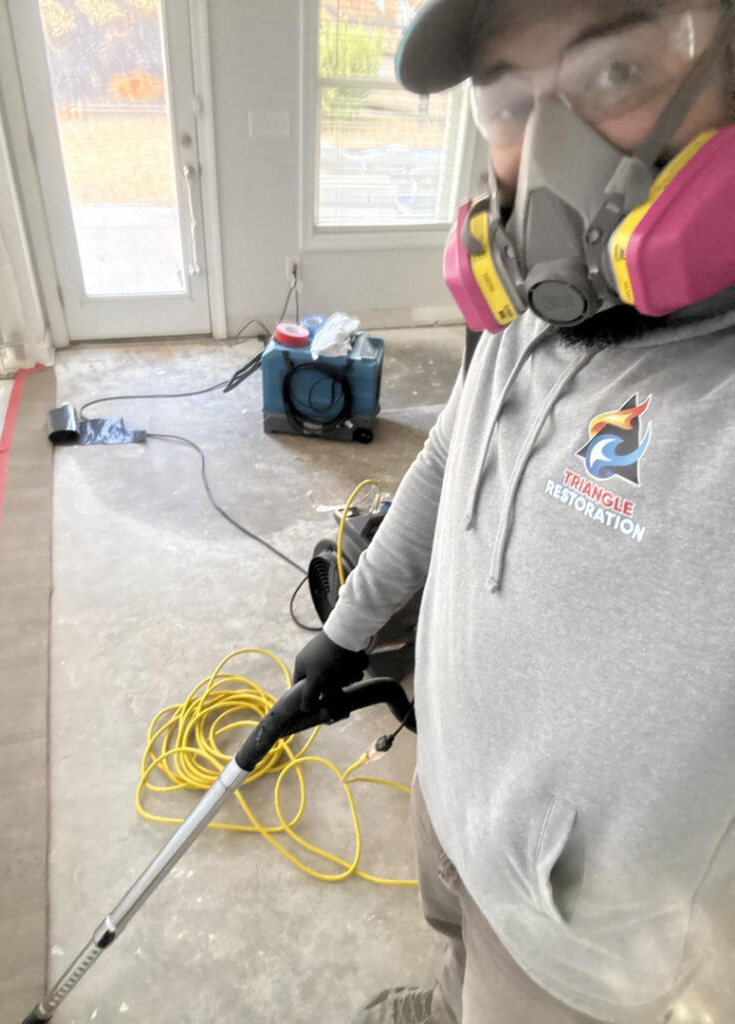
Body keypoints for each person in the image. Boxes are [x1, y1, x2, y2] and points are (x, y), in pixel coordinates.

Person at [293, 1, 735, 1022]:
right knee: (450, 940)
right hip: (453, 799)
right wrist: (348, 628)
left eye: (618, 72)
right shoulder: (534, 311)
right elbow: (450, 449)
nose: (544, 159)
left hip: (572, 964)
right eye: (505, 100)